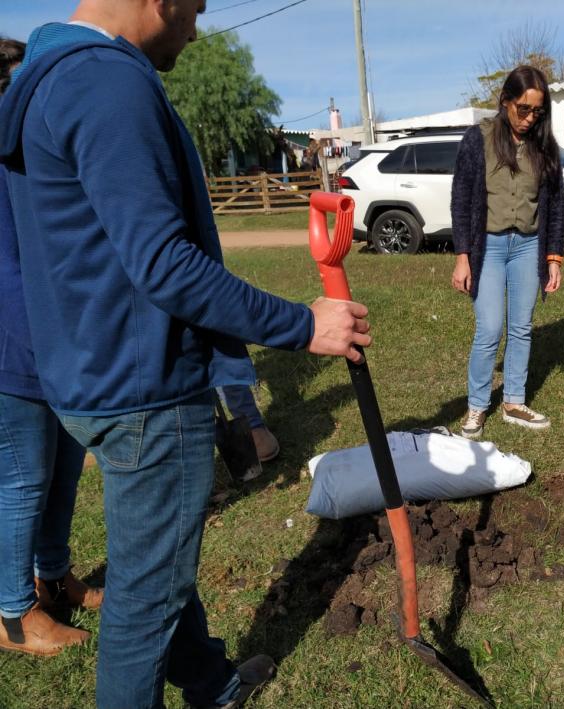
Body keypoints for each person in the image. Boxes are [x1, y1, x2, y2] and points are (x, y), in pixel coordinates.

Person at [0, 3, 371, 708]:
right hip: (144, 387)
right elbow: (165, 263)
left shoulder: (43, 78)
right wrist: (301, 324)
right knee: (142, 608)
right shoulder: (105, 82)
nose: (198, 28)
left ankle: (211, 683)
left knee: (155, 561)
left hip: (87, 378)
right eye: (196, 7)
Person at [0, 36, 104, 658]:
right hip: (12, 338)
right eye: (18, 81)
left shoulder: (26, 149)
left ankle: (53, 575)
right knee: (22, 478)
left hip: (52, 332)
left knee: (64, 466)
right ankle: (13, 613)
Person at [450, 65, 564, 439]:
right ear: (504, 102)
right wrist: (463, 255)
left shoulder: (544, 145)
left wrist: (553, 256)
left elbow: (556, 203)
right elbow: (462, 198)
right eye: (523, 109)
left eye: (537, 111)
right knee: (489, 328)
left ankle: (514, 401)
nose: (530, 118)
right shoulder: (478, 139)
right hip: (490, 248)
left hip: (528, 247)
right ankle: (477, 407)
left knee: (521, 328)